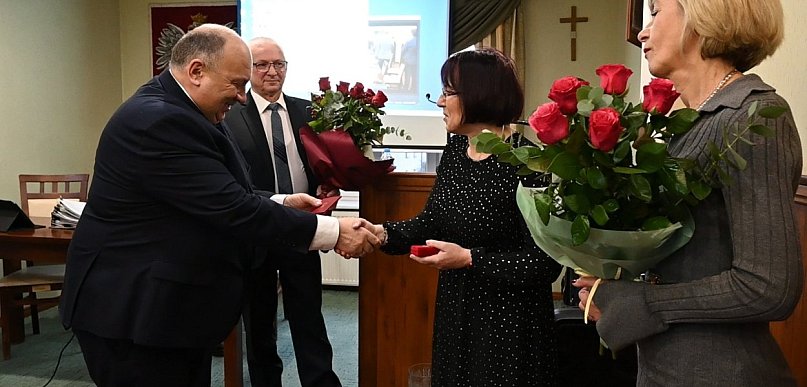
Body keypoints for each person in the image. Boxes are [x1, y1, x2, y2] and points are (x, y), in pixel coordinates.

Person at [58, 24, 379, 387]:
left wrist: (283, 201)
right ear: (197, 71)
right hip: (135, 315)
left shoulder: (191, 109)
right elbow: (231, 208)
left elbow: (221, 192)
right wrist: (334, 232)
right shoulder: (160, 120)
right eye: (238, 84)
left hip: (168, 311)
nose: (243, 97)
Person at [574, 0, 803, 385]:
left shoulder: (753, 115)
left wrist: (638, 302)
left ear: (702, 16)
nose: (642, 32)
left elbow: (768, 287)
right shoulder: (690, 121)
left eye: (655, 11)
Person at [364, 48, 561, 386]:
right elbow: (432, 222)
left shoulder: (528, 161)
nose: (440, 102)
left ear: (478, 94)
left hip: (509, 325)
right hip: (458, 310)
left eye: (448, 92)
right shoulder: (456, 150)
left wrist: (470, 259)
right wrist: (380, 233)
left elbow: (544, 263)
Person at [225, 37, 341, 387]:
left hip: (300, 228)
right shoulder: (230, 115)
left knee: (309, 318)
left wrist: (328, 186)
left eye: (279, 64)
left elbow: (323, 164)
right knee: (260, 323)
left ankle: (320, 382)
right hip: (257, 229)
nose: (272, 71)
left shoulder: (308, 112)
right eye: (262, 65)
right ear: (248, 70)